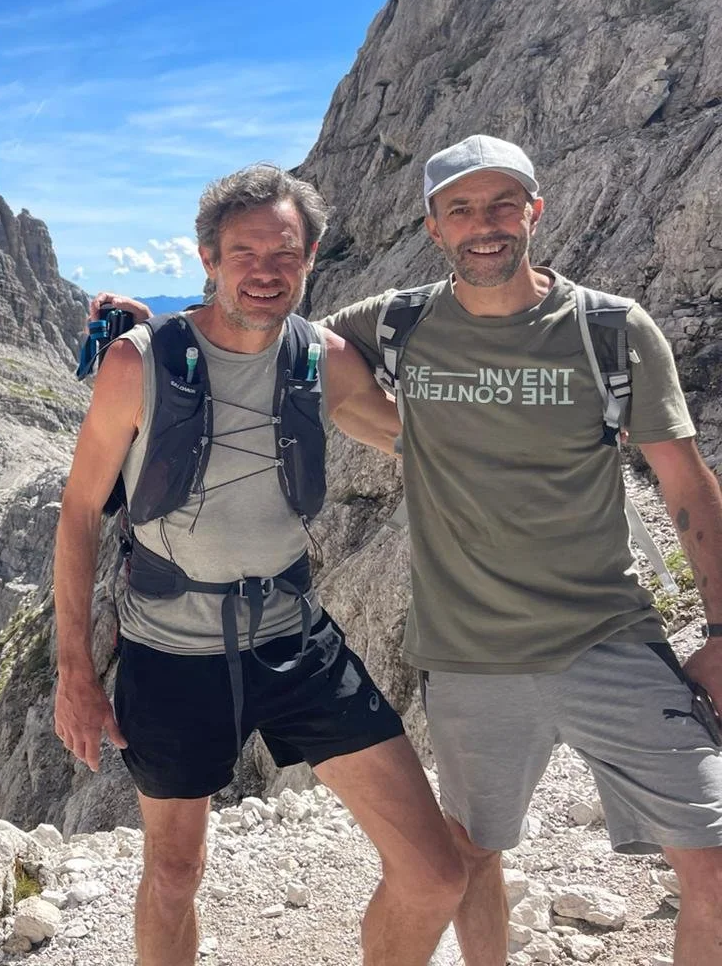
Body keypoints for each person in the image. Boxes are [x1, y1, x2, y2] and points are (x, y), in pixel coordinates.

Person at [319, 135, 722, 966]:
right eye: (461, 209)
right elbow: (286, 348)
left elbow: (687, 488)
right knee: (471, 857)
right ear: (433, 227)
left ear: (535, 210)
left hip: (608, 635)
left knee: (713, 867)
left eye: (503, 203)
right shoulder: (401, 321)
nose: (485, 225)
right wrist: (161, 328)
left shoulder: (610, 330)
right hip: (471, 657)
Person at [53, 164, 465, 966]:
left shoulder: (322, 359)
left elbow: (419, 448)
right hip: (170, 653)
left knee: (433, 873)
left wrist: (539, 442)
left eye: (286, 252)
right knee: (174, 874)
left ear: (310, 259)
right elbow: (76, 513)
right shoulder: (138, 365)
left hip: (295, 642)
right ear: (208, 260)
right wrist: (75, 668)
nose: (267, 271)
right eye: (245, 251)